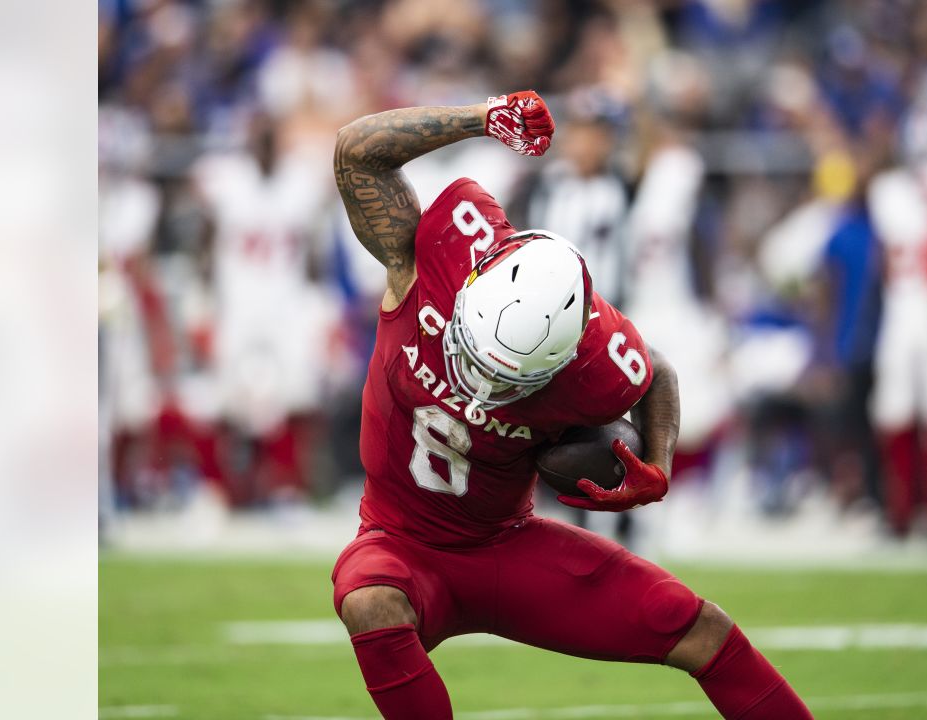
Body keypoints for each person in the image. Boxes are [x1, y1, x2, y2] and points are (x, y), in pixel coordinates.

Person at [329, 91, 812, 719]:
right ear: (473, 286)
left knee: (697, 627)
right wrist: (480, 118)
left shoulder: (596, 352)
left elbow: (656, 375)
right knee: (370, 598)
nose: (482, 390)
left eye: (511, 382)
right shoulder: (437, 255)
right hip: (398, 541)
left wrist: (658, 467)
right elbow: (355, 155)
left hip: (505, 545)